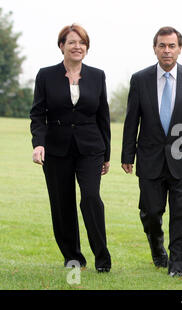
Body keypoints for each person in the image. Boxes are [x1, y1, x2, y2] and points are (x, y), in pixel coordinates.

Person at [121, 26, 182, 277]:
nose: (167, 50)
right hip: (149, 158)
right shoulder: (139, 79)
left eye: (172, 46)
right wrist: (127, 155)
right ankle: (157, 246)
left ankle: (178, 265)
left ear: (179, 49)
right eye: (162, 45)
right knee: (150, 212)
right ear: (155, 48)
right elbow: (132, 120)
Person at [30, 24, 112, 272]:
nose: (78, 47)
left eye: (82, 43)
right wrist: (39, 144)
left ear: (87, 48)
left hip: (90, 148)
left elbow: (103, 116)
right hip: (56, 149)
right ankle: (73, 257)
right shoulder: (45, 75)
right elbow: (37, 114)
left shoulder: (98, 75)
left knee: (90, 198)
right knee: (62, 203)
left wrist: (106, 154)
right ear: (61, 46)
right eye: (72, 42)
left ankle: (102, 257)